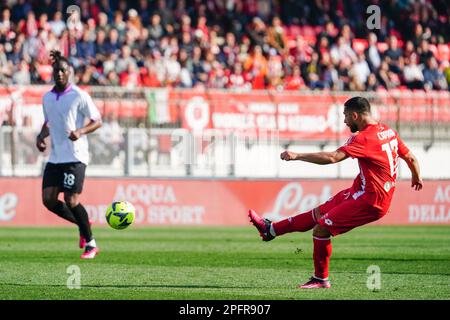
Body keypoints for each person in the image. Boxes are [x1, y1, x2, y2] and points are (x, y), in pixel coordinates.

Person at [248, 96, 423, 288]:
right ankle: (270, 230)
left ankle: (320, 279)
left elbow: (332, 158)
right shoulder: (388, 131)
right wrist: (416, 176)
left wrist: (297, 155)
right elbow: (411, 158)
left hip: (371, 201)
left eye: (346, 116)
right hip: (363, 190)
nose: (345, 121)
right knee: (318, 213)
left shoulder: (363, 138)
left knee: (321, 228)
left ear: (355, 115)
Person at [36, 50, 102, 259]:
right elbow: (49, 122)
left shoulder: (79, 95)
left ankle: (91, 244)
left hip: (75, 156)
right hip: (56, 157)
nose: (60, 74)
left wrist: (80, 132)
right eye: (57, 71)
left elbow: (97, 120)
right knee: (48, 200)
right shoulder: (47, 98)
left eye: (63, 71)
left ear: (70, 72)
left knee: (71, 199)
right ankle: (83, 223)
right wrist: (41, 135)